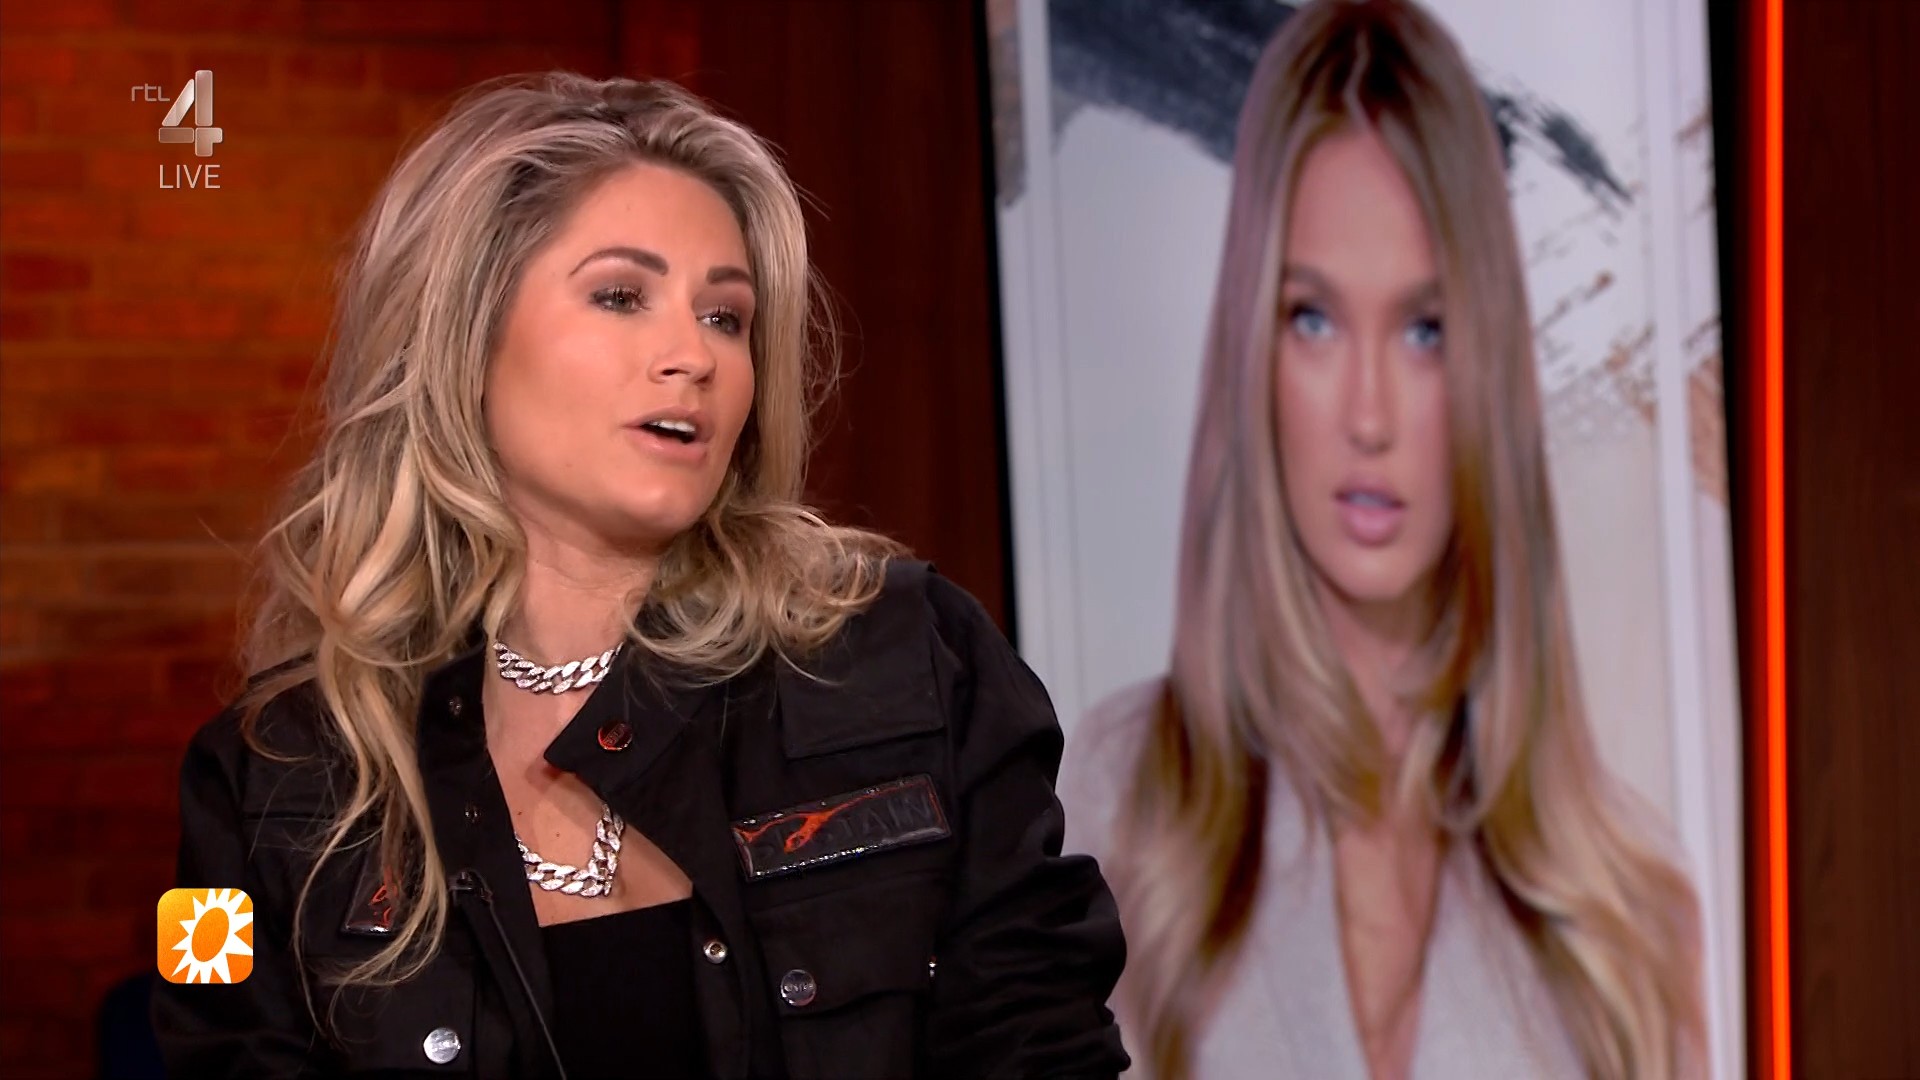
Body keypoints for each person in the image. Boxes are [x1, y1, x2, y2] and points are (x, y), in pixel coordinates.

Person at [150, 72, 1128, 1079]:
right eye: (622, 296)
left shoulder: (914, 657)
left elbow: (1046, 1036)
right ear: (464, 336)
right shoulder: (253, 779)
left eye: (727, 317)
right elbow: (208, 1049)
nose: (692, 356)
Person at [1056, 2, 1703, 1078]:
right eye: (1313, 319)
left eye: (1424, 330)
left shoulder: (1627, 916)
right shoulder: (1125, 809)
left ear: (1485, 362)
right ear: (1254, 348)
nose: (1369, 414)